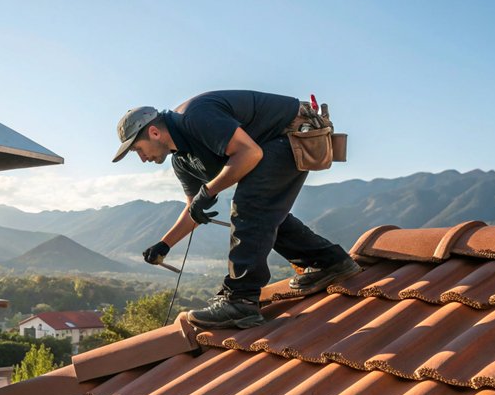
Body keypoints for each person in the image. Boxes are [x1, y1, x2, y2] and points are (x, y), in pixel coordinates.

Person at [112, 90, 361, 329]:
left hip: (292, 134)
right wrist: (164, 245)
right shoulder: (183, 160)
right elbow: (193, 207)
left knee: (250, 206)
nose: (142, 158)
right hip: (269, 146)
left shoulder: (195, 117)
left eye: (137, 150)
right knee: (264, 214)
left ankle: (240, 300)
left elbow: (250, 153)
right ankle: (331, 263)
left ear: (154, 132)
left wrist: (207, 192)